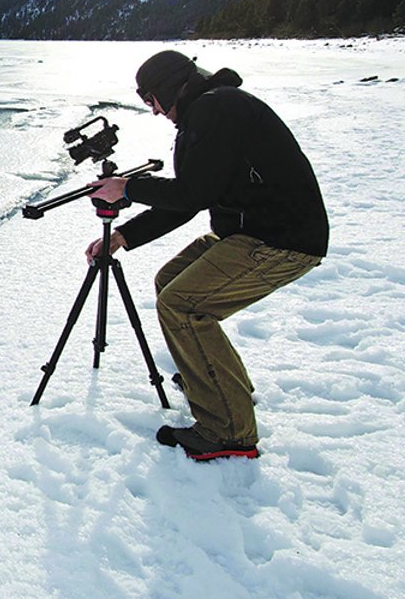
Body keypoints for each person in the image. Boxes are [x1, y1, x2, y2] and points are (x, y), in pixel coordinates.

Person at [87, 50, 328, 461]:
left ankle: (229, 430)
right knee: (171, 281)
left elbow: (194, 194)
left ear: (169, 88)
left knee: (183, 305)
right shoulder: (213, 106)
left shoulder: (216, 110)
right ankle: (213, 383)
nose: (156, 112)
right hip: (255, 231)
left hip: (280, 240)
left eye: (153, 101)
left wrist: (128, 188)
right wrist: (124, 236)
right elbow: (195, 195)